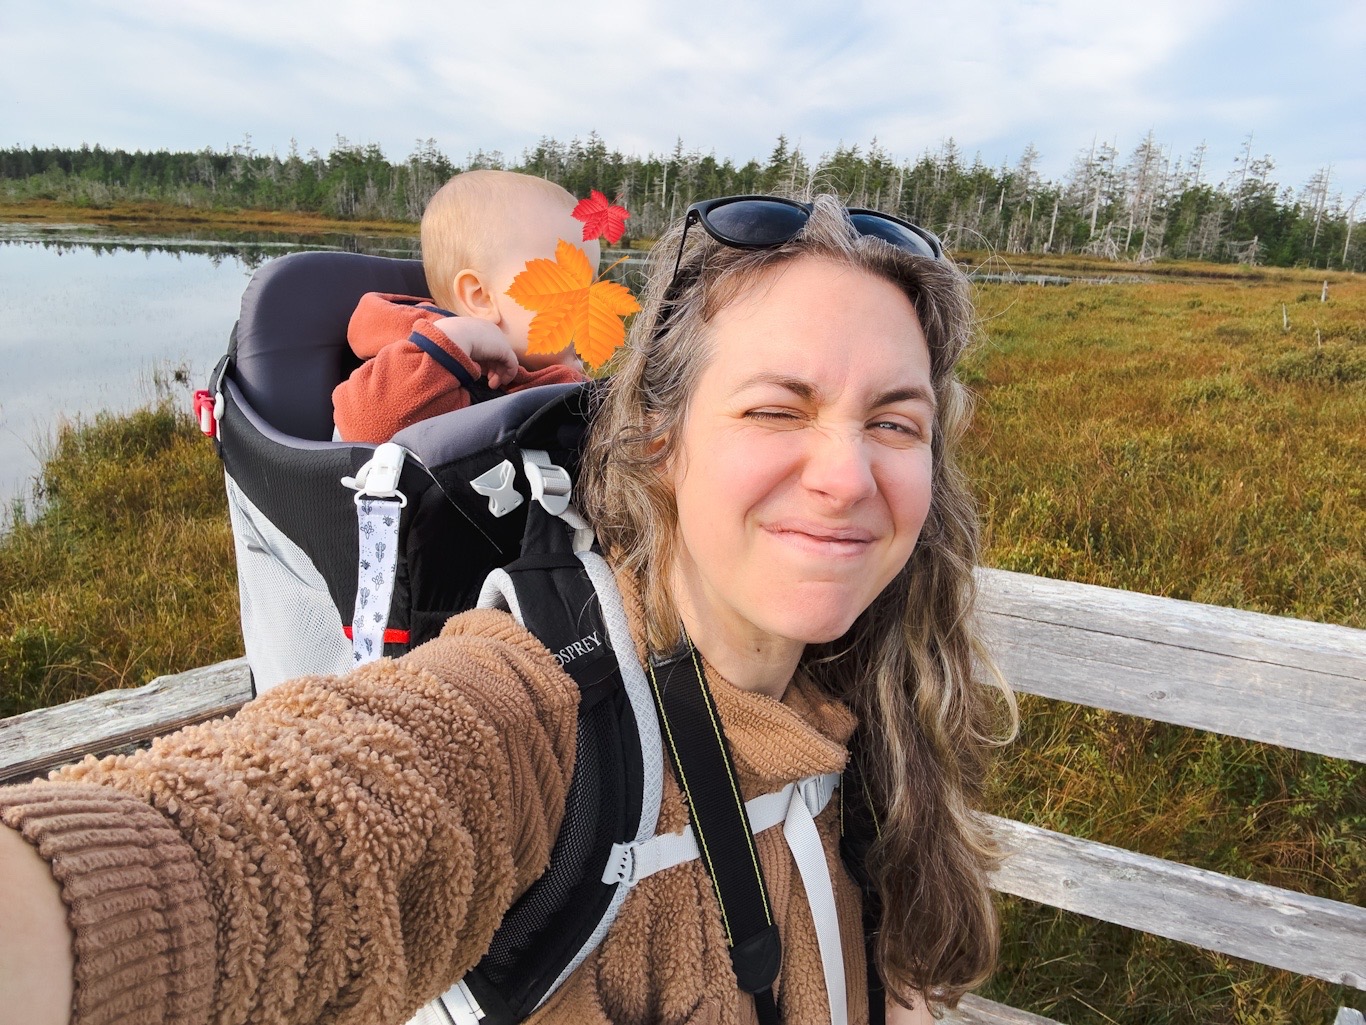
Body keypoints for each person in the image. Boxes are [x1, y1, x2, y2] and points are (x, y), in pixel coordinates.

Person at [0, 194, 1016, 1025]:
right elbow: (280, 838)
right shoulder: (536, 711)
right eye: (774, 408)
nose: (846, 476)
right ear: (656, 440)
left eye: (894, 420)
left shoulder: (874, 689)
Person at [333, 169, 593, 443]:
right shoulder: (423, 369)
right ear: (480, 297)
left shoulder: (552, 378)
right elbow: (367, 428)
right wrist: (454, 339)